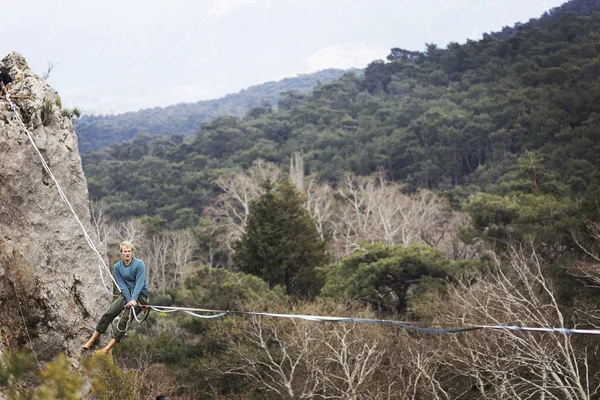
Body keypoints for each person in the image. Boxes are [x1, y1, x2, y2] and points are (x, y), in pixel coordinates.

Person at [83, 240, 149, 355]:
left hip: (140, 295)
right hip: (126, 294)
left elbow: (140, 283)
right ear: (121, 253)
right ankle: (92, 340)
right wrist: (129, 299)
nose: (127, 253)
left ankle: (106, 350)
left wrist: (134, 300)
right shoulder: (117, 267)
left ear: (132, 252)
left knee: (124, 321)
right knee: (110, 312)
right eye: (125, 251)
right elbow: (122, 285)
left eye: (129, 251)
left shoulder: (139, 264)